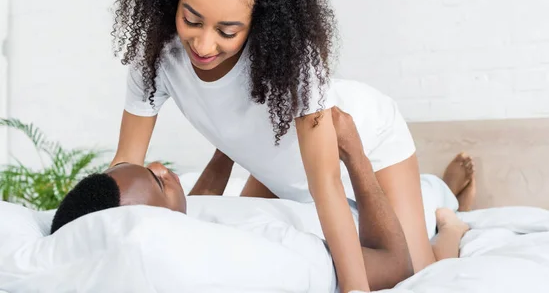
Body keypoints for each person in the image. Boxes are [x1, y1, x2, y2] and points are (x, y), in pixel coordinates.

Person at [109, 0, 469, 291]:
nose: (204, 45)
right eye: (191, 20)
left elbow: (326, 184)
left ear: (259, 22)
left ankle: (448, 220)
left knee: (414, 274)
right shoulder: (157, 60)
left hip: (359, 140)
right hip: (274, 163)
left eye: (227, 32)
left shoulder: (295, 63)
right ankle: (435, 192)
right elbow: (126, 163)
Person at [51, 108, 475, 291]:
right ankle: (452, 215)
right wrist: (353, 151)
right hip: (357, 215)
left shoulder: (166, 233)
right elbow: (393, 263)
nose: (162, 165)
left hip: (305, 199)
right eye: (159, 180)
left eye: (150, 165)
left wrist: (228, 146)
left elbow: (192, 207)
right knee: (425, 258)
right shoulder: (262, 249)